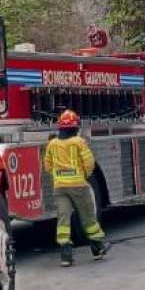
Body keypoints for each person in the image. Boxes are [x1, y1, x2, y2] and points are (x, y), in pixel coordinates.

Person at [43, 109, 109, 266]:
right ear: (75, 127)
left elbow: (47, 166)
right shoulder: (79, 142)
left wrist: (58, 175)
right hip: (79, 186)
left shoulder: (52, 144)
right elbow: (89, 163)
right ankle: (98, 249)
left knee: (63, 220)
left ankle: (66, 257)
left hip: (59, 188)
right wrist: (83, 175)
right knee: (88, 219)